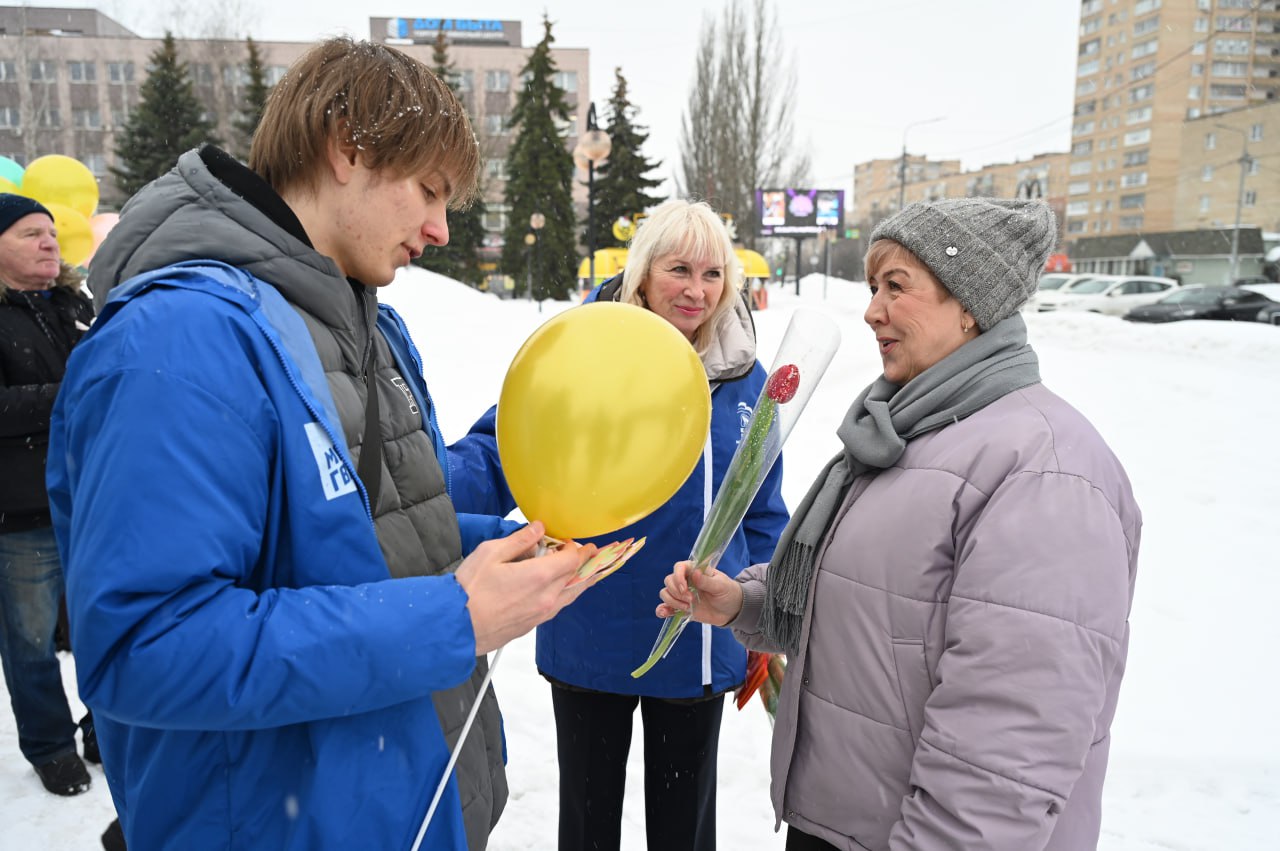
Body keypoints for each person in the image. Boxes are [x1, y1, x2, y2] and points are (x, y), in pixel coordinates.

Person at [47, 38, 600, 851]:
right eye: (430, 191)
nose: (442, 229)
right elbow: (147, 646)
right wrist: (452, 616)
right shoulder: (181, 338)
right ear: (349, 148)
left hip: (402, 804)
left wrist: (515, 549)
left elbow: (354, 533)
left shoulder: (373, 324)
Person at [658, 198, 1142, 851]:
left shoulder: (1045, 472)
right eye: (871, 287)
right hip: (842, 819)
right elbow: (876, 605)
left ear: (970, 305)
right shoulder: (905, 434)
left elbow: (1008, 747)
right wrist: (745, 601)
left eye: (896, 286)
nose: (871, 310)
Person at [449, 199, 789, 850]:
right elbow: (504, 448)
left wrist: (768, 609)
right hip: (591, 627)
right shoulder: (587, 353)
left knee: (684, 829)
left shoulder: (749, 381)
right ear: (642, 272)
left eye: (713, 273)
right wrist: (416, 492)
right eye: (679, 268)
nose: (696, 289)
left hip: (695, 636)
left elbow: (765, 508)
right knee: (588, 822)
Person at [0, 194, 97, 798]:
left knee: (102, 627)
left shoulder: (73, 304)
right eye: (31, 232)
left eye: (52, 232)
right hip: (22, 512)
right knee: (31, 643)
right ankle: (50, 745)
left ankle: (104, 728)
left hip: (91, 502)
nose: (49, 242)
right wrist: (70, 393)